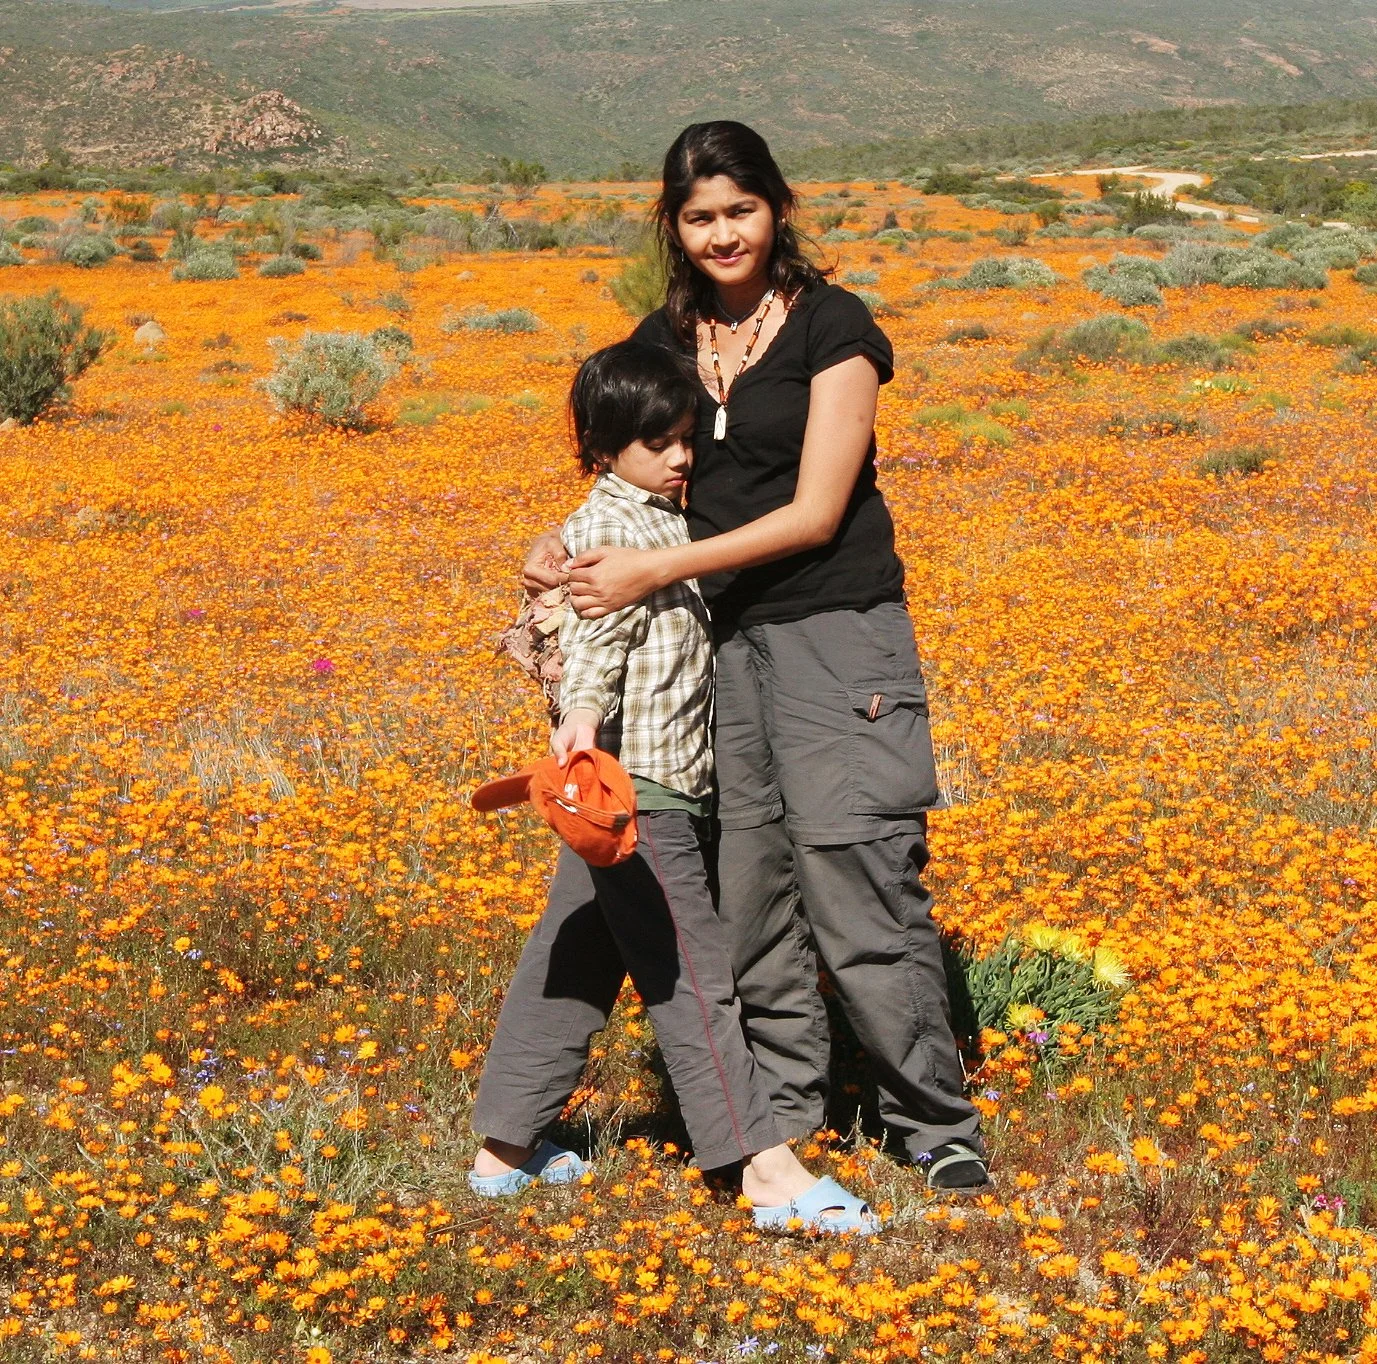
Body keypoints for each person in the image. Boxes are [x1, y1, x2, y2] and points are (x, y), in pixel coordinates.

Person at [525, 122, 989, 1191]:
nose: (723, 233)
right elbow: (625, 473)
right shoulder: (663, 337)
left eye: (740, 210)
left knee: (859, 871)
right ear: (674, 228)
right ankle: (781, 1110)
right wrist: (565, 545)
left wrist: (650, 573)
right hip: (708, 646)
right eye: (700, 217)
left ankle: (933, 1119)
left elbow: (819, 511)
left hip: (836, 632)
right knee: (750, 889)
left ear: (775, 208)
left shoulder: (836, 328)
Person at [469, 341, 880, 1234]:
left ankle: (502, 1151)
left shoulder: (651, 515)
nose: (682, 457)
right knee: (692, 974)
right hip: (635, 788)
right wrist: (577, 720)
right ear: (603, 446)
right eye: (659, 443)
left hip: (631, 786)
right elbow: (596, 641)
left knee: (574, 954)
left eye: (688, 438)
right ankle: (763, 1169)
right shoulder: (618, 529)